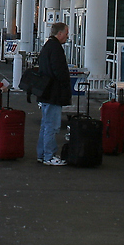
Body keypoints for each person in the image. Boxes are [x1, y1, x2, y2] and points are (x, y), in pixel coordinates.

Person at [35, 22, 73, 166]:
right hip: (54, 93)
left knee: (46, 125)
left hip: (46, 92)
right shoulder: (56, 49)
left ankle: (42, 153)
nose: (67, 36)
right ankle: (49, 156)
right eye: (66, 33)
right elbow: (59, 71)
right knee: (51, 125)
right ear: (60, 33)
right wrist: (65, 84)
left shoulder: (47, 47)